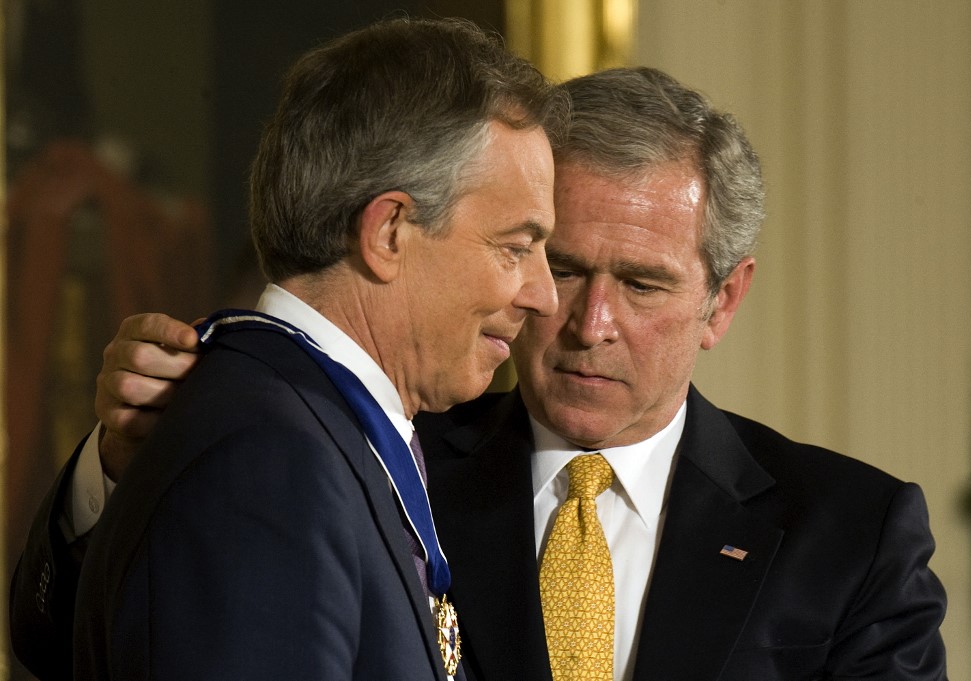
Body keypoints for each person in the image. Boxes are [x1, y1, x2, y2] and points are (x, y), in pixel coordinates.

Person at [10, 67, 948, 681]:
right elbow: (69, 644)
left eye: (644, 283)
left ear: (724, 301)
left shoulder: (851, 535)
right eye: (559, 263)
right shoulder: (378, 454)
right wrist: (120, 468)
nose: (587, 321)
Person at [9, 16, 566, 681]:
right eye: (514, 247)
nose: (544, 295)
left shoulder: (315, 428)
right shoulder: (273, 457)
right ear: (388, 231)